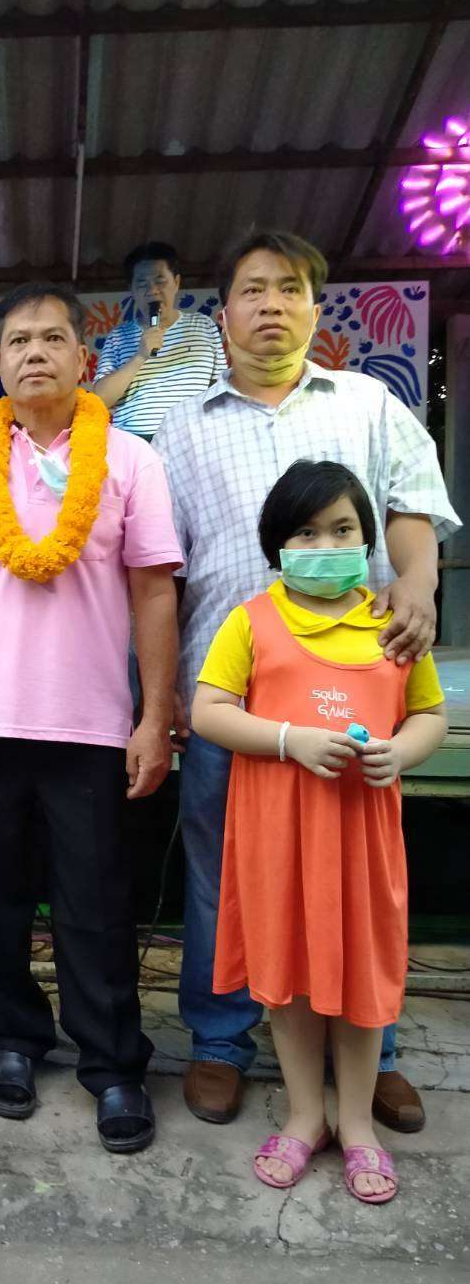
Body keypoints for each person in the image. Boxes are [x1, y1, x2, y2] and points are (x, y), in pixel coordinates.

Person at [153, 228, 461, 1131]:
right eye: (253, 289)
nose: (271, 305)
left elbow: (413, 507)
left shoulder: (368, 403)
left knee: (361, 883)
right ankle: (220, 1041)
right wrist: (164, 695)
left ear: (315, 308)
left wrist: (417, 582)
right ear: (224, 312)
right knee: (224, 876)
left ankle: (374, 1050)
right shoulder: (182, 429)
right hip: (234, 701)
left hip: (354, 695)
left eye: (289, 288)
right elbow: (160, 573)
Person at [0, 283, 182, 1153]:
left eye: (51, 338)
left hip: (89, 724)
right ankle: (13, 1036)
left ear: (84, 356)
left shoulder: (130, 460)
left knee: (95, 903)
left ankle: (112, 1064)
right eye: (16, 340)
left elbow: (155, 591)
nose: (33, 352)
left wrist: (155, 715)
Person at [192, 461, 446, 1203]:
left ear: (368, 541)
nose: (325, 545)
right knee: (290, 982)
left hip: (362, 843)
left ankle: (357, 1124)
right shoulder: (251, 621)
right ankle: (306, 1116)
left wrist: (400, 751)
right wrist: (288, 740)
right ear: (277, 543)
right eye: (306, 532)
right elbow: (208, 711)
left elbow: (429, 714)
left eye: (342, 529)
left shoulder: (391, 626)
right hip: (279, 842)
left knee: (361, 979)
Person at [93, 241, 225, 440]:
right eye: (142, 284)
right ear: (131, 290)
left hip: (193, 438)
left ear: (176, 282)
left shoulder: (203, 326)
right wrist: (139, 357)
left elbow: (220, 387)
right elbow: (100, 399)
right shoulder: (118, 337)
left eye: (160, 281)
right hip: (135, 442)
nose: (152, 290)